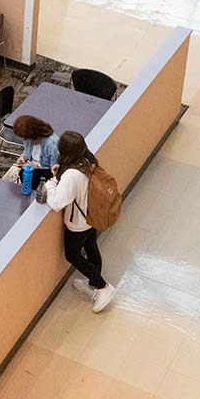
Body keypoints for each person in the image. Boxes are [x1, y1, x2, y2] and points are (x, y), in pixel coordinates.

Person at [45, 130, 116, 312]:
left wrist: (51, 184)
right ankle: (93, 283)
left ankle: (102, 287)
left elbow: (57, 203)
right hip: (92, 216)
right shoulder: (88, 162)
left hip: (78, 223)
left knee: (72, 255)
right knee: (91, 247)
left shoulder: (71, 174)